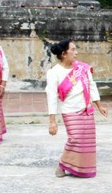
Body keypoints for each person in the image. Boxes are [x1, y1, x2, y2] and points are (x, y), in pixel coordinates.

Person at [45, 40, 107, 178]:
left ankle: (83, 169)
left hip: (86, 109)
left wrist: (99, 105)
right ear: (64, 54)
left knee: (87, 141)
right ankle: (63, 164)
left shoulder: (82, 68)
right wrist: (52, 121)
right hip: (70, 111)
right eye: (73, 50)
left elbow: (91, 86)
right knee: (75, 139)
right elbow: (52, 97)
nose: (76, 52)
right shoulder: (54, 73)